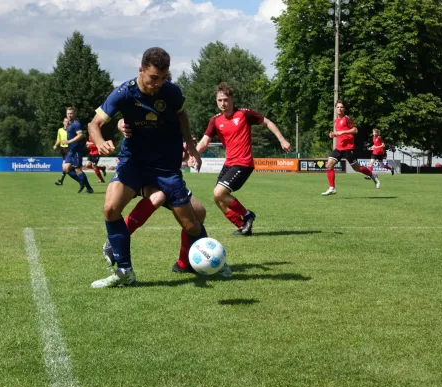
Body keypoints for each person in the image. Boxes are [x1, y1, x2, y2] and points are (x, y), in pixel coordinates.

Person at [87, 47, 207, 288]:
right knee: (110, 208)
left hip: (166, 168)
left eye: (163, 78)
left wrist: (191, 148)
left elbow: (182, 116)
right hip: (134, 163)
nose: (158, 84)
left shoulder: (171, 93)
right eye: (154, 78)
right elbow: (94, 123)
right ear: (141, 70)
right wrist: (100, 142)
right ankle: (124, 271)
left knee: (194, 220)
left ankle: (210, 261)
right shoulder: (124, 92)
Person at [101, 119, 232, 277]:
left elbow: (180, 158)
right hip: (140, 172)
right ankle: (115, 243)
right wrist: (120, 124)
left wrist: (185, 149)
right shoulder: (147, 110)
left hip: (165, 175)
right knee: (157, 197)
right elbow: (123, 117)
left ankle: (184, 264)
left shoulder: (174, 118)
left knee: (199, 211)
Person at [195, 82, 292, 236]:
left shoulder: (244, 114)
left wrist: (282, 139)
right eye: (220, 100)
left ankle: (247, 215)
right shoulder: (215, 121)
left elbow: (267, 122)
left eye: (226, 99)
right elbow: (204, 141)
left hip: (243, 163)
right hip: (229, 163)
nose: (223, 103)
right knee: (218, 199)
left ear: (232, 99)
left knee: (219, 192)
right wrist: (195, 154)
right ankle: (242, 226)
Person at [321, 101, 379, 195]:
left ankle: (372, 175)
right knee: (329, 165)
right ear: (335, 109)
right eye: (338, 107)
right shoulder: (336, 121)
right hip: (339, 148)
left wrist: (342, 132)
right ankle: (332, 188)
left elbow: (355, 130)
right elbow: (339, 134)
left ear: (344, 109)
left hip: (348, 149)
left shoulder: (346, 119)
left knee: (357, 169)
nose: (340, 109)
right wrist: (333, 135)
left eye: (341, 107)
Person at [61, 107, 94, 194]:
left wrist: (69, 141)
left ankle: (89, 188)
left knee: (78, 170)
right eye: (68, 113)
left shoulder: (76, 124)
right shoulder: (69, 124)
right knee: (65, 168)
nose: (69, 115)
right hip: (71, 150)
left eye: (71, 113)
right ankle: (81, 182)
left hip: (76, 150)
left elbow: (80, 135)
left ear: (74, 114)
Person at [53, 118, 70, 185]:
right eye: (65, 121)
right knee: (67, 167)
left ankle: (61, 181)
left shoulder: (71, 130)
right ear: (63, 122)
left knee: (64, 166)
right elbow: (58, 139)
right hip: (63, 150)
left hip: (69, 149)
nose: (67, 123)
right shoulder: (60, 130)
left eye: (68, 122)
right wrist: (55, 145)